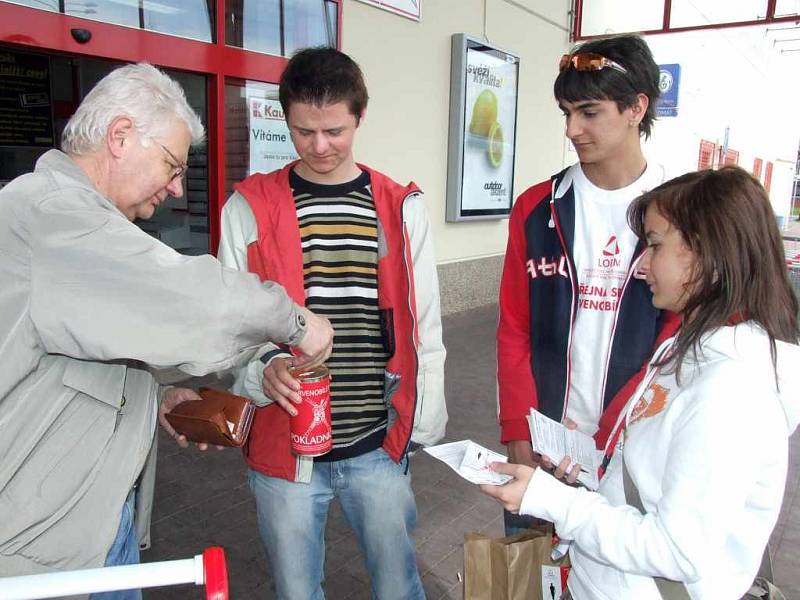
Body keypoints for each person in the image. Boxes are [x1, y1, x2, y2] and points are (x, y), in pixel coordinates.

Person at [0, 63, 333, 594]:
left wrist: (152, 399)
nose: (178, 189)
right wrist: (296, 321)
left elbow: (70, 351)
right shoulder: (51, 215)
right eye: (172, 165)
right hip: (42, 556)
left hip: (96, 527)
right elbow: (195, 303)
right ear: (121, 136)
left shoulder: (60, 220)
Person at [482, 166, 800, 599]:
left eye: (654, 245)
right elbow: (648, 479)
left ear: (706, 253)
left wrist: (552, 500)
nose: (642, 264)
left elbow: (676, 550)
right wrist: (590, 463)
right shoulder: (687, 351)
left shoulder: (731, 393)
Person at [218, 47, 447, 599]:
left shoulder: (398, 206)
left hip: (376, 443)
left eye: (334, 131)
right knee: (297, 592)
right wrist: (263, 366)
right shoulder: (248, 208)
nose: (319, 146)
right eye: (303, 131)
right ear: (286, 120)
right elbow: (227, 324)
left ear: (360, 117)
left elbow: (424, 327)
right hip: (283, 447)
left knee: (399, 587)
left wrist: (421, 427)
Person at [496, 34, 680, 532]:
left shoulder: (683, 214)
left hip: (632, 459)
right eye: (566, 112)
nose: (573, 129)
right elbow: (515, 328)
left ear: (637, 107)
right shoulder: (538, 208)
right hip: (543, 452)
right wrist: (517, 431)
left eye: (589, 112)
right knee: (530, 582)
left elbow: (678, 342)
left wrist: (610, 436)